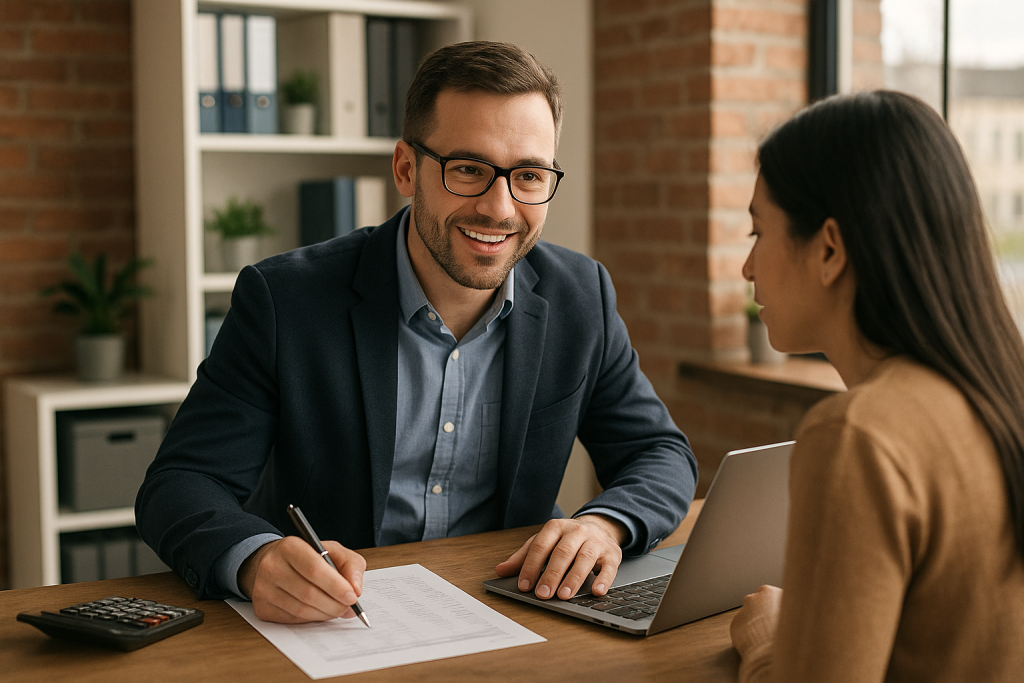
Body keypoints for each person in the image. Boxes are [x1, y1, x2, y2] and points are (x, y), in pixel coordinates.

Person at [136, 41, 697, 624]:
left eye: (528, 175)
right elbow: (180, 483)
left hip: (513, 610)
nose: (500, 208)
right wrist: (255, 560)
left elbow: (660, 452)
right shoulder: (286, 300)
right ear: (406, 168)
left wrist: (605, 525)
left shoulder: (581, 296)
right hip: (337, 621)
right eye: (469, 170)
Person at [729, 90, 1024, 682]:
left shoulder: (859, 436)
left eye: (758, 233)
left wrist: (768, 641)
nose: (748, 267)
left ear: (830, 249)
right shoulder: (998, 392)